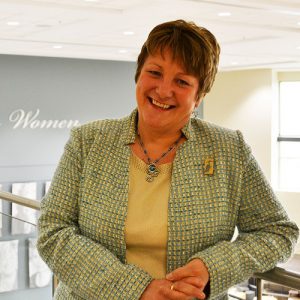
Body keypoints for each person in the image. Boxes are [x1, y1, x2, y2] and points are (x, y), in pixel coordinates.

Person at [37, 19, 299, 300]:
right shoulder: (88, 142)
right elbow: (53, 231)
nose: (163, 90)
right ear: (138, 75)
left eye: (182, 81)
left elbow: (277, 232)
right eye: (155, 72)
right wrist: (136, 289)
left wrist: (211, 267)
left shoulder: (229, 150)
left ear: (198, 96)